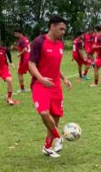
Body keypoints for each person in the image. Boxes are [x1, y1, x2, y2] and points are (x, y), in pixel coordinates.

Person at [29, 15, 72, 158]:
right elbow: (31, 64)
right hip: (40, 85)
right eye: (61, 29)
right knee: (44, 113)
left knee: (56, 116)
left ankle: (47, 146)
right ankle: (58, 137)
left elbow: (54, 66)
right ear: (52, 26)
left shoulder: (60, 44)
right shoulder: (39, 42)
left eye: (65, 29)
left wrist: (64, 78)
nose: (63, 32)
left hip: (56, 86)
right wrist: (40, 78)